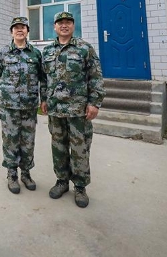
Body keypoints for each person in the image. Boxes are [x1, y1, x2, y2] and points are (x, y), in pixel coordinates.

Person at [40, 11, 105, 208]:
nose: (64, 25)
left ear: (73, 25)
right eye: (60, 22)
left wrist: (94, 102)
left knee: (80, 149)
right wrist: (44, 99)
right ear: (55, 27)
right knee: (58, 147)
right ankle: (61, 181)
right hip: (55, 109)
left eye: (68, 22)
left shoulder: (84, 48)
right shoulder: (48, 51)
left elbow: (96, 76)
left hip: (78, 110)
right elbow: (44, 79)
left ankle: (80, 186)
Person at [0, 16, 46, 194]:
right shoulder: (4, 53)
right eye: (16, 27)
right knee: (10, 141)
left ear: (27, 31)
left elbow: (42, 78)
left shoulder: (35, 54)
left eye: (23, 27)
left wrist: (43, 99)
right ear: (11, 32)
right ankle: (11, 174)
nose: (19, 30)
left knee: (28, 141)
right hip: (9, 107)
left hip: (29, 107)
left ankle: (26, 173)